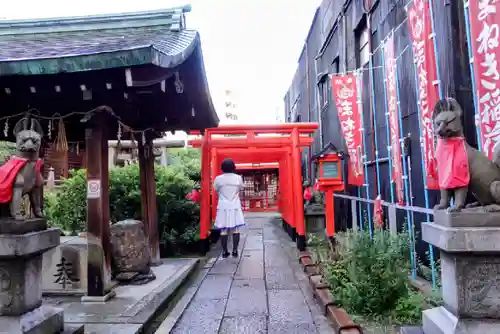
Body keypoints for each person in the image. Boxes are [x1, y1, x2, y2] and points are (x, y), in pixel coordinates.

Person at [214, 158, 245, 258]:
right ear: (233, 167)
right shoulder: (238, 178)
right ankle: (235, 251)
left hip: (223, 205)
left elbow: (215, 189)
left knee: (223, 229)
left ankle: (224, 251)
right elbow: (241, 188)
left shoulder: (218, 179)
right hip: (235, 205)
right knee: (235, 229)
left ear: (222, 167)